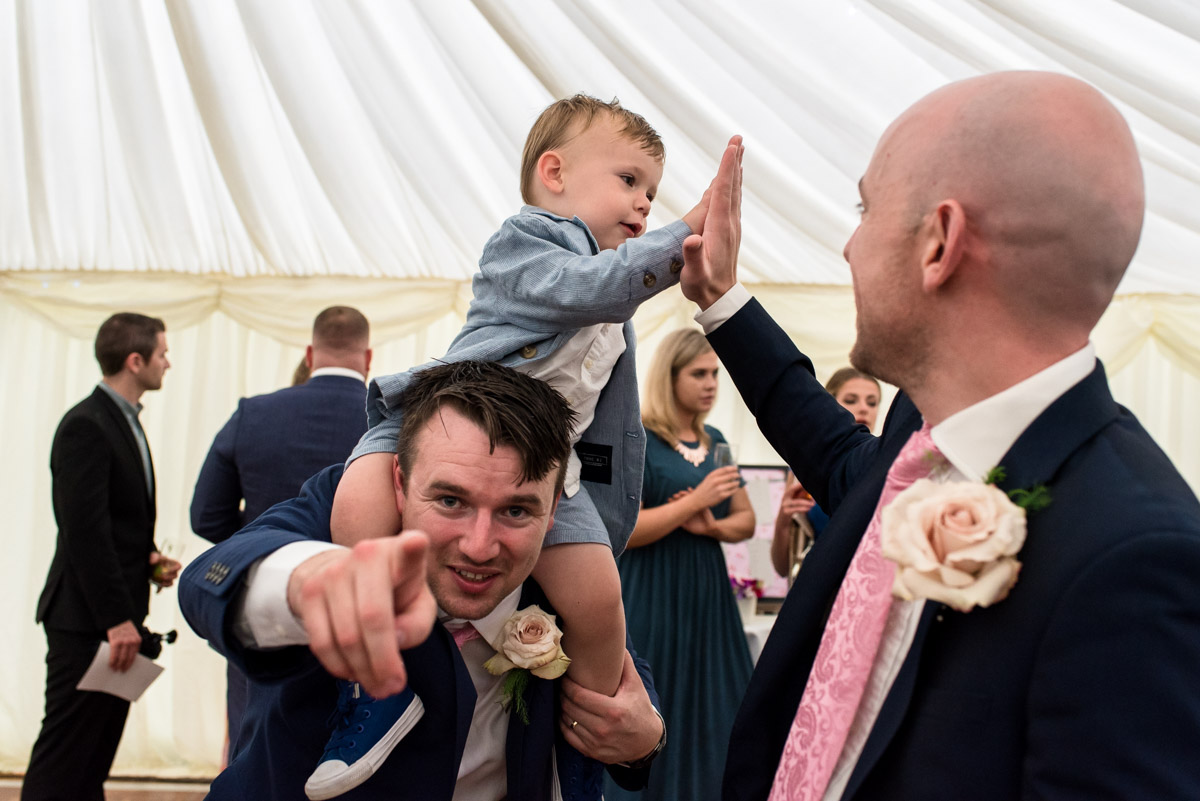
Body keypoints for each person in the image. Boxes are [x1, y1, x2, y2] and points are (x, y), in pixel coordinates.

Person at [680, 72, 1200, 800]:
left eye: (865, 209)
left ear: (940, 243)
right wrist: (721, 300)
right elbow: (838, 458)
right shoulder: (916, 440)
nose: (849, 246)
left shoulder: (1134, 560)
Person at [320, 95, 735, 792]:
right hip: (444, 419)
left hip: (547, 467)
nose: (644, 204)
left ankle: (597, 727)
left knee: (600, 594)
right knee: (356, 511)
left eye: (654, 193)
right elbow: (591, 287)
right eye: (629, 180)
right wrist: (685, 232)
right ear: (554, 173)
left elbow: (609, 417)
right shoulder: (528, 242)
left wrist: (639, 734)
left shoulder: (615, 303)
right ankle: (372, 690)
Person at [179, 361, 668, 801]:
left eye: (515, 510)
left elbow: (616, 657)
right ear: (398, 481)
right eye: (451, 501)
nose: (480, 546)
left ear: (555, 509)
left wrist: (645, 738)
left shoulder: (564, 563)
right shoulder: (346, 515)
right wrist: (309, 583)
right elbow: (211, 577)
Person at [189, 305, 372, 758]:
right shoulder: (389, 424)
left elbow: (206, 516)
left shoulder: (254, 414)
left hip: (264, 621)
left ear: (310, 353)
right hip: (363, 621)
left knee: (254, 750)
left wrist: (261, 550)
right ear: (368, 358)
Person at [23, 312, 182, 801]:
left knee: (90, 764)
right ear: (135, 361)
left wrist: (147, 558)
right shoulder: (86, 425)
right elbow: (83, 533)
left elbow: (114, 523)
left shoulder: (121, 421)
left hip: (112, 619)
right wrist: (117, 620)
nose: (168, 363)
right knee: (64, 762)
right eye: (161, 353)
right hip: (88, 623)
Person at [605, 327, 754, 801]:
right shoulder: (641, 437)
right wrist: (692, 506)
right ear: (669, 377)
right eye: (699, 373)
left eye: (715, 374)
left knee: (711, 703)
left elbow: (746, 520)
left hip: (707, 595)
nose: (711, 383)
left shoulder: (718, 440)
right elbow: (622, 529)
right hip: (652, 591)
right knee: (654, 698)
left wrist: (712, 527)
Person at [771, 368, 881, 579]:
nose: (863, 408)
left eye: (872, 402)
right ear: (829, 407)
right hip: (821, 583)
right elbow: (781, 567)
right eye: (851, 400)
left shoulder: (889, 462)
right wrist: (784, 520)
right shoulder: (804, 467)